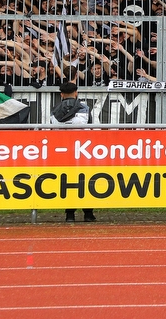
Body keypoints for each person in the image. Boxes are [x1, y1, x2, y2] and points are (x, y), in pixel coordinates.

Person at [52, 81, 96, 223]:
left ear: (61, 94)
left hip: (63, 150)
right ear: (76, 93)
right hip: (82, 150)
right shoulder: (85, 108)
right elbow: (91, 128)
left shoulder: (55, 110)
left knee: (67, 182)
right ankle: (88, 213)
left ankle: (69, 214)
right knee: (85, 181)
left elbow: (52, 130)